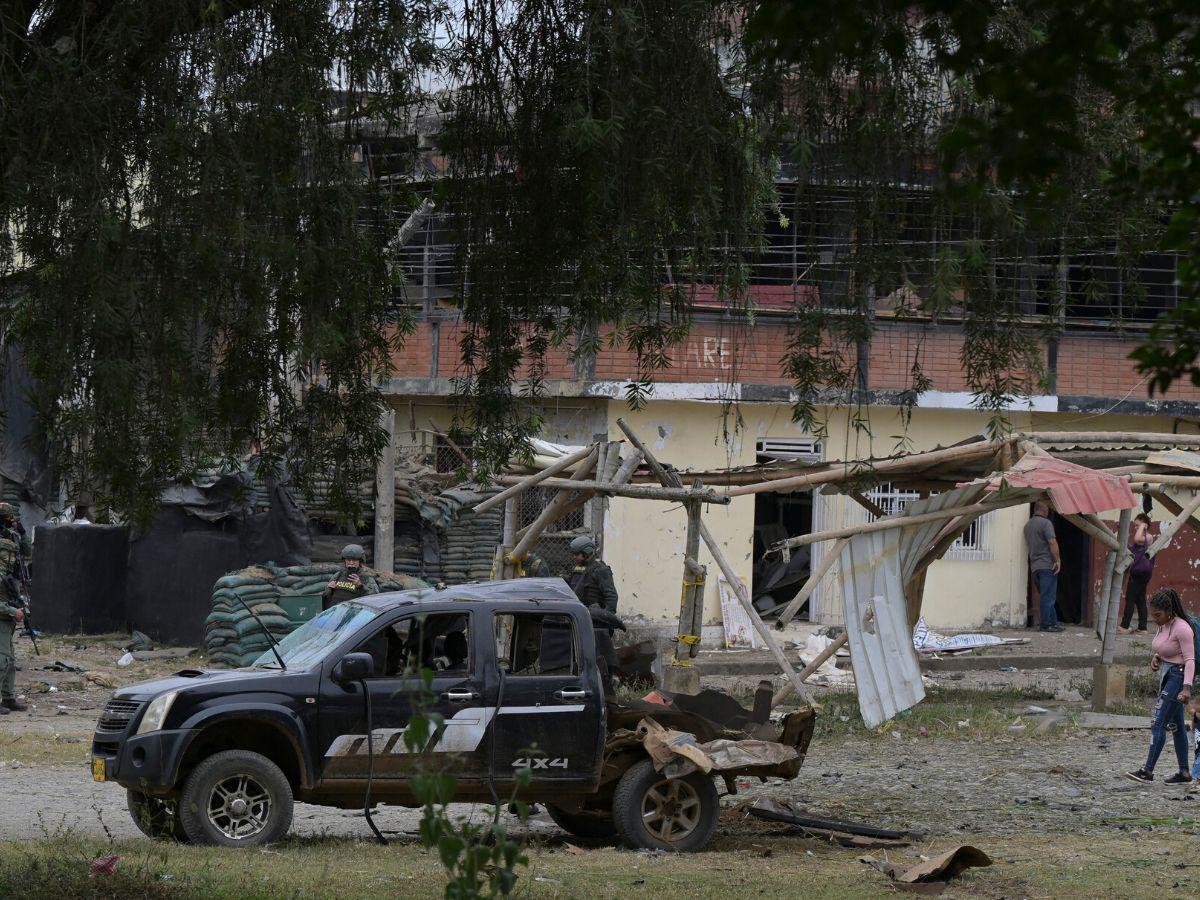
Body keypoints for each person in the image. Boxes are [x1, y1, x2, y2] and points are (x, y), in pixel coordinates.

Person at [1128, 588, 1194, 784]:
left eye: (1158, 615)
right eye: (1153, 615)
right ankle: (1184, 773)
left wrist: (1186, 688)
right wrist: (1157, 658)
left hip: (1178, 677)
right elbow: (1166, 648)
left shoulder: (1182, 628)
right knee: (1177, 726)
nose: (1154, 619)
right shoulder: (1163, 625)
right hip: (1167, 674)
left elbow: (1189, 659)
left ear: (1169, 611)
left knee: (1158, 723)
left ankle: (1147, 771)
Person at [1024, 501, 1063, 632]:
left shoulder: (1027, 526)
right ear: (1045, 510)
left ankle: (1053, 622)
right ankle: (1046, 624)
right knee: (1048, 597)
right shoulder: (1046, 523)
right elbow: (1052, 542)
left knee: (1046, 595)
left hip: (1035, 566)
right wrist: (1057, 561)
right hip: (1047, 565)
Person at [0, 539, 28, 715]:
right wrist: (12, 611)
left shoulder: (6, 575)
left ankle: (8, 697)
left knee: (9, 662)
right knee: (1, 661)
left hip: (7, 622)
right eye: (8, 553)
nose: (11, 558)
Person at [1119, 513, 1155, 634]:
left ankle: (1124, 626)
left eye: (1137, 525)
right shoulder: (1141, 539)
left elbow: (1138, 539)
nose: (1135, 527)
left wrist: (1143, 526)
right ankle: (1142, 627)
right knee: (1140, 599)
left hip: (1141, 573)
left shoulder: (1148, 537)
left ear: (1144, 523)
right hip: (1138, 573)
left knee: (1130, 598)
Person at [566, 535, 618, 613]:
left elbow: (611, 596)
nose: (574, 557)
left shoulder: (600, 570)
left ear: (586, 552)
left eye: (577, 554)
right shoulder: (577, 569)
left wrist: (605, 616)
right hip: (578, 613)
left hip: (593, 616)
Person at [321, 544, 380, 610]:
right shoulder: (338, 575)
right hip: (336, 613)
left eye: (354, 560)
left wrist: (360, 586)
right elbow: (326, 598)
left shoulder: (366, 578)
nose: (351, 563)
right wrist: (329, 589)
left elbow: (375, 599)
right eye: (348, 560)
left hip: (354, 615)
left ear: (360, 561)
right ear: (345, 561)